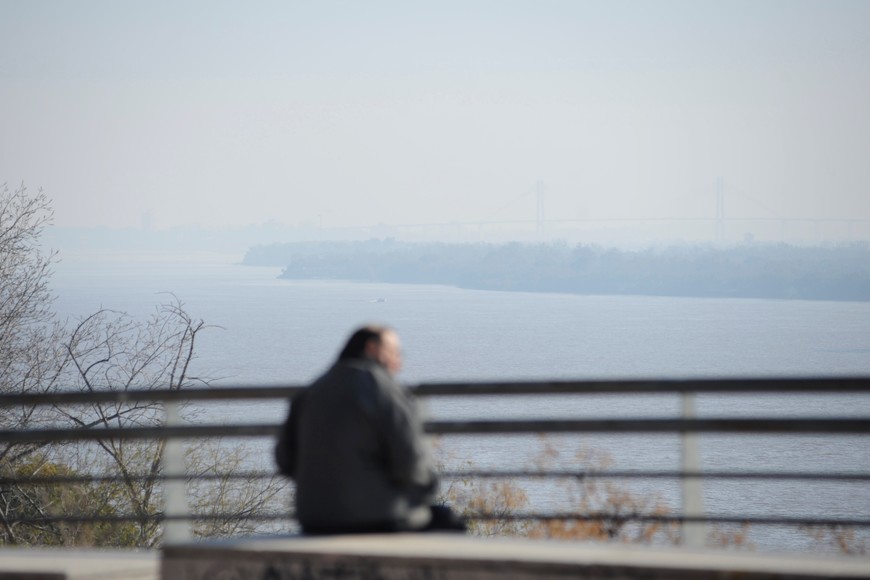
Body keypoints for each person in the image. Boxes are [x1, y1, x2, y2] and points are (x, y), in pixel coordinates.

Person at [275, 324, 465, 534]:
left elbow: (284, 460)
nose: (399, 362)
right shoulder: (385, 390)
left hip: (313, 519)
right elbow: (411, 464)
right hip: (377, 520)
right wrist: (423, 492)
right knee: (448, 523)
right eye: (395, 352)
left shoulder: (310, 391)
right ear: (372, 348)